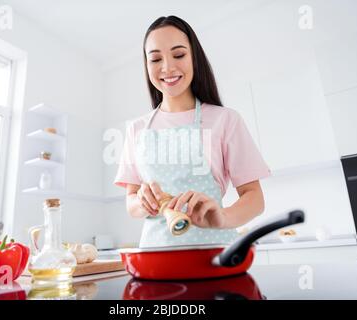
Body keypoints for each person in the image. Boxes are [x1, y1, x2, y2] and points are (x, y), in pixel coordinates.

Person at [114, 16, 271, 248]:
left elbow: (254, 198)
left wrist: (224, 217)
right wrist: (142, 202)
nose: (167, 67)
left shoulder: (225, 120)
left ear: (194, 58)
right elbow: (131, 202)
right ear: (147, 66)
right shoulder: (136, 129)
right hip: (156, 258)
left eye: (178, 55)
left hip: (214, 254)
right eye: (156, 59)